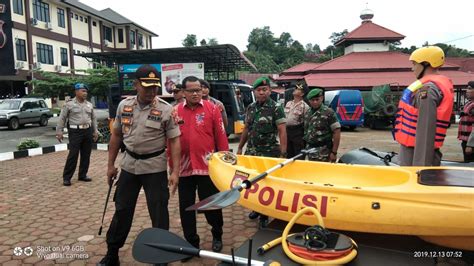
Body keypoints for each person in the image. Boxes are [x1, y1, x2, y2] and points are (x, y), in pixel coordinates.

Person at [99, 65, 181, 266]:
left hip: (154, 167)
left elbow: (175, 140)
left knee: (159, 213)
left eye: (155, 87)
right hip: (129, 165)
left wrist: (175, 171)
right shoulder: (123, 106)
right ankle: (112, 253)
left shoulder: (165, 109)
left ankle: (160, 256)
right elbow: (116, 135)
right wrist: (110, 165)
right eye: (147, 87)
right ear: (136, 85)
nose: (152, 91)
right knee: (122, 210)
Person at [176, 76, 229, 253]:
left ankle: (217, 234)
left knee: (211, 204)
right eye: (191, 90)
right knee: (186, 207)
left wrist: (224, 164)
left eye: (198, 90)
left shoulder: (212, 109)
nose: (196, 93)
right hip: (184, 169)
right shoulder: (175, 112)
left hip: (207, 167)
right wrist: (172, 168)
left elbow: (221, 138)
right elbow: (171, 142)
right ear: (183, 92)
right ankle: (191, 243)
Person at [237, 76, 287, 228]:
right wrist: (240, 147)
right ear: (254, 92)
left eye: (265, 90)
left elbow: (282, 131)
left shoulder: (276, 108)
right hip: (252, 152)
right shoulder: (251, 107)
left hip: (268, 153)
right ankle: (256, 208)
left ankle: (264, 214)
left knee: (266, 185)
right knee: (252, 182)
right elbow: (246, 128)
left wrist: (283, 153)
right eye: (259, 90)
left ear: (270, 91)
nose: (262, 93)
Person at [394, 46, 454, 166]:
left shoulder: (428, 90)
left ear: (426, 64)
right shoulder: (427, 87)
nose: (412, 68)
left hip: (417, 156)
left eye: (414, 64)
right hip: (413, 151)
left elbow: (426, 131)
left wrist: (421, 168)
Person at [56, 83, 99, 186]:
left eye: (86, 91)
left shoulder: (89, 104)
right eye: (82, 91)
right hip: (75, 132)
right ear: (76, 92)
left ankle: (82, 175)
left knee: (86, 154)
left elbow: (93, 118)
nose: (85, 93)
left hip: (87, 130)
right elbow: (62, 118)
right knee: (73, 154)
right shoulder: (69, 104)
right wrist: (59, 131)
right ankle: (67, 177)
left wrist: (95, 131)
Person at [304, 88, 341, 162]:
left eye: (317, 99)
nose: (315, 102)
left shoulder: (328, 112)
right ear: (309, 101)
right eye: (312, 100)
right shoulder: (308, 113)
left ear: (321, 98)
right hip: (311, 150)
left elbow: (337, 132)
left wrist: (334, 152)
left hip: (324, 152)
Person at [284, 84, 309, 158]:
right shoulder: (288, 103)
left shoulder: (305, 106)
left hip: (298, 132)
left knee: (298, 155)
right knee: (288, 154)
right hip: (287, 131)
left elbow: (306, 123)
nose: (295, 90)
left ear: (302, 94)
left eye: (298, 89)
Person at [458, 81, 474, 162]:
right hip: (466, 140)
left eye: (470, 89)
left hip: (471, 143)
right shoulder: (469, 104)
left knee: (470, 165)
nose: (467, 91)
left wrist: (470, 145)